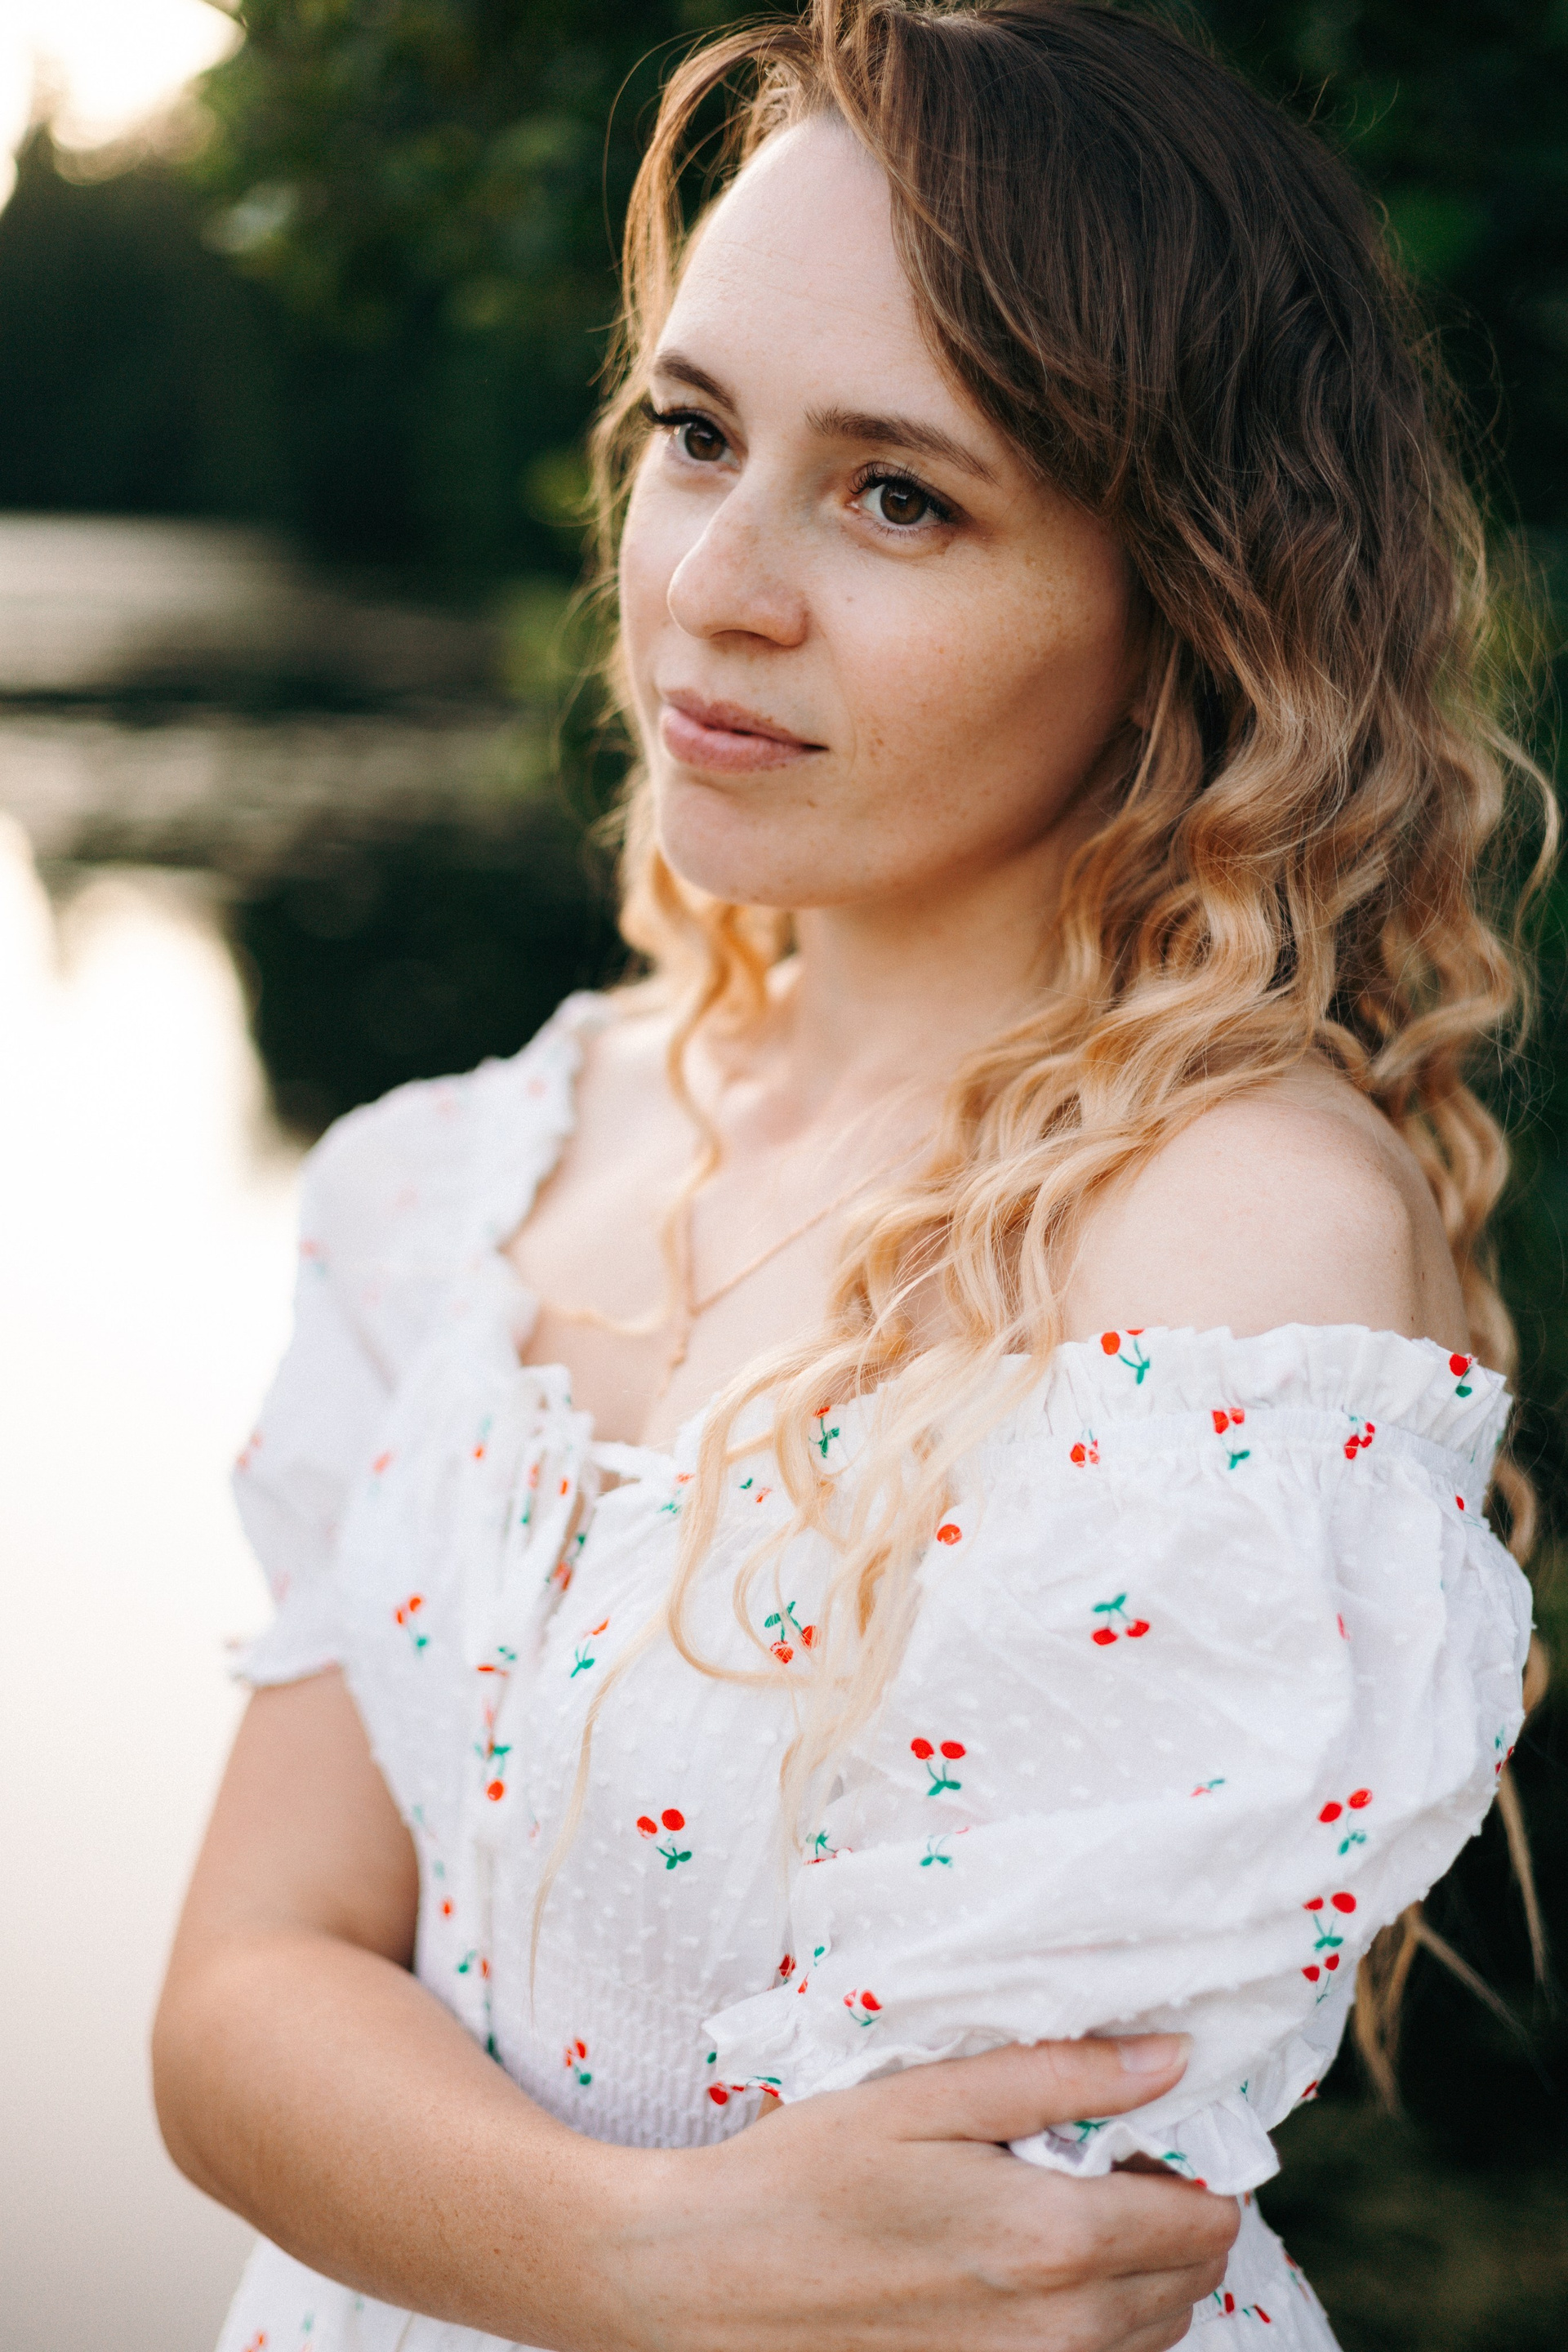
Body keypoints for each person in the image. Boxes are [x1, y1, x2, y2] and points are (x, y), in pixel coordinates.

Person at [154, 6, 1548, 2348]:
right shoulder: (460, 1178)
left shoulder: (1218, 1242)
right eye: (695, 434)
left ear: (1187, 602)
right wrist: (634, 2253)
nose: (714, 581)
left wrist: (571, 2245)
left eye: (900, 496)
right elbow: (239, 1992)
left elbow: (988, 2272)